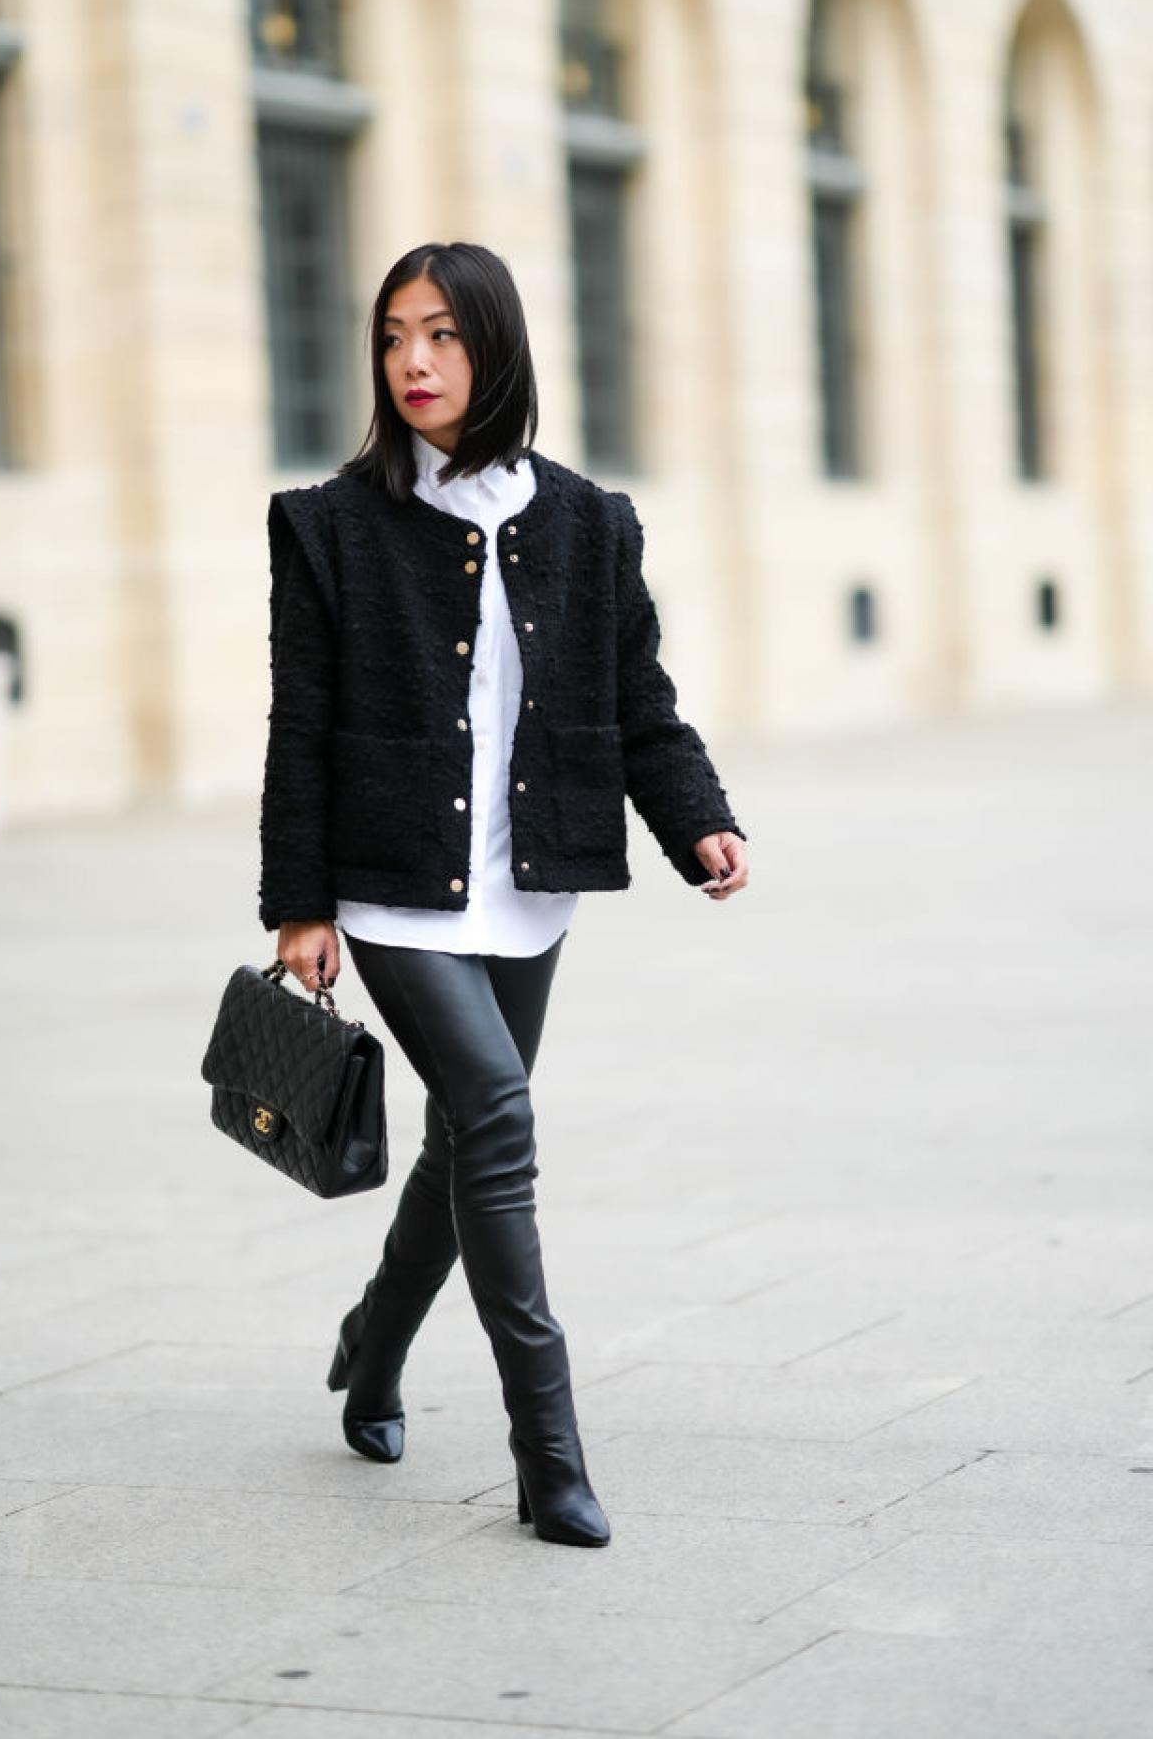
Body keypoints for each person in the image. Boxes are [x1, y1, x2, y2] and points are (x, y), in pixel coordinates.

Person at [260, 240, 749, 1548]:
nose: (413, 362)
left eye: (442, 336)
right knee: (495, 1112)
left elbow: (638, 703)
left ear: (497, 347)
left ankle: (371, 1350)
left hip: (526, 889)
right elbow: (299, 724)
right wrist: (298, 901)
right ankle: (551, 1454)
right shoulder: (329, 525)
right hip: (391, 889)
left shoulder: (590, 523)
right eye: (392, 338)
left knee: (461, 1144)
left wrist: (696, 820)